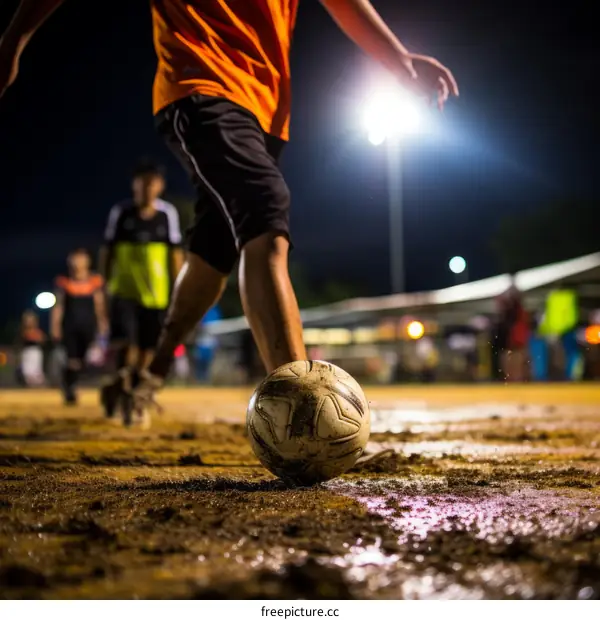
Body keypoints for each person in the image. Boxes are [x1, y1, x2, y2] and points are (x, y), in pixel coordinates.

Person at [0, 0, 459, 418]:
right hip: (198, 85)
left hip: (265, 107)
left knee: (216, 245)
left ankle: (148, 375)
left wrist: (399, 62)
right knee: (265, 205)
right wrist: (13, 40)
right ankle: (300, 410)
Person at [97, 160, 184, 423]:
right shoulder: (122, 213)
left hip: (156, 295)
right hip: (124, 291)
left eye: (152, 182)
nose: (147, 187)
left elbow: (175, 253)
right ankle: (127, 395)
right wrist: (104, 284)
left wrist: (178, 286)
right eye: (142, 181)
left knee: (148, 350)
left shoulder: (167, 214)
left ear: (160, 186)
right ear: (134, 185)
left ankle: (127, 391)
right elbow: (108, 251)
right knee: (127, 346)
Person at [50, 249, 107, 404]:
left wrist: (103, 323)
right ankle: (69, 389)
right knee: (72, 359)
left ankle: (71, 381)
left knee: (84, 360)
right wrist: (55, 326)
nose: (77, 264)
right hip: (70, 326)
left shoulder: (95, 281)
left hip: (89, 326)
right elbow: (58, 306)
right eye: (75, 260)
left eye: (81, 260)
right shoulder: (63, 283)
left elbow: (99, 304)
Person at [17, 310, 46, 386]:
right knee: (27, 372)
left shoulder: (38, 332)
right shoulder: (23, 332)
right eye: (27, 320)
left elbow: (42, 340)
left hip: (36, 353)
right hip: (27, 353)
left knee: (36, 372)